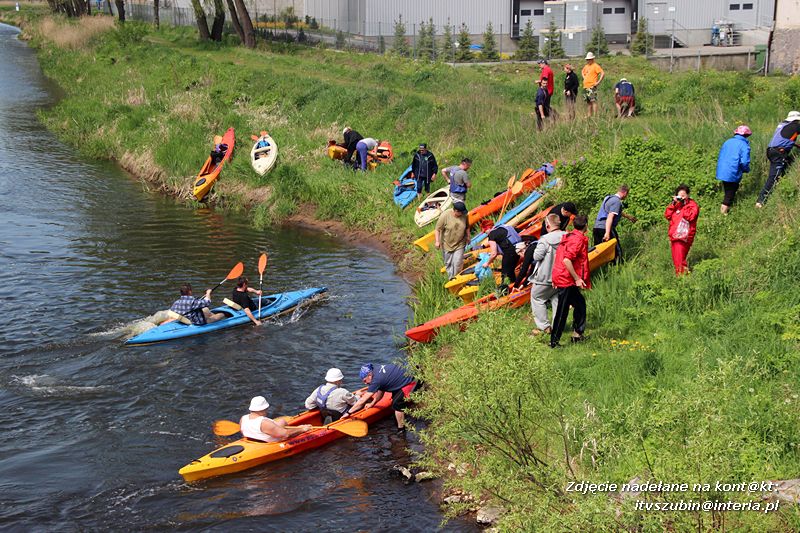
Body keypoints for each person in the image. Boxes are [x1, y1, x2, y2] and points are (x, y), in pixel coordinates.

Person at [550, 215, 591, 348]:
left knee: (580, 304)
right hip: (566, 279)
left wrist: (554, 275)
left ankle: (577, 334)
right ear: (586, 226)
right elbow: (566, 260)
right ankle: (554, 342)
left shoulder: (569, 237)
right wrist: (577, 278)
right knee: (562, 311)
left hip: (562, 276)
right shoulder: (577, 240)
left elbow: (559, 256)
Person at [346, 363, 416, 430]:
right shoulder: (375, 371)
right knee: (395, 402)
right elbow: (381, 391)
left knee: (397, 404)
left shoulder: (376, 380)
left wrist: (349, 413)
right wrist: (372, 403)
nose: (365, 383)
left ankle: (401, 429)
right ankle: (399, 420)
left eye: (365, 380)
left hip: (412, 379)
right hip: (408, 372)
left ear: (369, 375)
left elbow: (362, 401)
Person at [530, 213, 566, 335]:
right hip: (562, 275)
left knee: (537, 297)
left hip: (545, 276)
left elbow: (537, 256)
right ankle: (557, 325)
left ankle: (544, 327)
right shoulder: (567, 236)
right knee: (556, 298)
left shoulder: (544, 239)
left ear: (547, 225)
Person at [756, 111, 800, 207]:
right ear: (796, 120)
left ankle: (781, 182)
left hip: (771, 151)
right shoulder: (795, 126)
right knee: (773, 176)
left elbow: (783, 138)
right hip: (778, 152)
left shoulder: (783, 124)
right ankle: (761, 201)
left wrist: (796, 145)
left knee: (789, 162)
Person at [592, 185, 636, 263]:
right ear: (625, 193)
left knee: (598, 250)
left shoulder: (609, 198)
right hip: (605, 228)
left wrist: (628, 217)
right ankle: (618, 266)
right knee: (615, 249)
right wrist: (607, 233)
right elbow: (610, 217)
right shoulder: (617, 201)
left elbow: (614, 211)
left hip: (597, 227)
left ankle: (600, 267)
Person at [240, 396, 312, 442]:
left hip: (254, 440)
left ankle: (281, 427)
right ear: (264, 408)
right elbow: (286, 435)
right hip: (271, 442)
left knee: (282, 421)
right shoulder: (264, 423)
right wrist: (301, 429)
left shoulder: (243, 419)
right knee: (287, 429)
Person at [715, 125, 752, 214]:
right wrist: (746, 169)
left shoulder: (727, 142)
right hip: (733, 172)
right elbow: (744, 162)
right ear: (746, 135)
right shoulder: (744, 145)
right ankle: (723, 213)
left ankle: (725, 209)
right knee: (730, 192)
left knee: (727, 190)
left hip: (722, 170)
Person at [664, 184, 699, 275]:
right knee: (677, 260)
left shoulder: (692, 205)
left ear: (688, 195)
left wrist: (685, 205)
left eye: (684, 195)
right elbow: (667, 215)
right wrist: (673, 203)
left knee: (680, 261)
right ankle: (682, 277)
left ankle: (683, 279)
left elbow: (690, 217)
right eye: (680, 196)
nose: (682, 198)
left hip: (684, 236)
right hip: (674, 235)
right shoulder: (676, 204)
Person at [435, 201, 470, 279]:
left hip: (460, 243)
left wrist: (468, 236)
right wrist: (437, 241)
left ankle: (456, 278)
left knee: (457, 262)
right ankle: (451, 278)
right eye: (461, 212)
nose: (463, 214)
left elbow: (467, 226)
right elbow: (437, 229)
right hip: (447, 244)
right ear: (456, 211)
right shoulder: (445, 215)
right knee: (448, 263)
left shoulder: (464, 216)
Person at [485, 222, 523, 290]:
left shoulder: (491, 234)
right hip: (520, 249)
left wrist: (487, 263)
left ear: (488, 228)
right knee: (510, 271)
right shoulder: (504, 226)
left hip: (510, 252)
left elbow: (494, 254)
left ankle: (505, 292)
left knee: (505, 275)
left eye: (485, 232)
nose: (486, 234)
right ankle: (515, 285)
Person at [581, 52, 605, 118]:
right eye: (587, 59)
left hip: (592, 86)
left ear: (592, 59)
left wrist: (598, 82)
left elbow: (602, 73)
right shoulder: (586, 66)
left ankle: (595, 116)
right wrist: (584, 77)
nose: (588, 61)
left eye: (589, 59)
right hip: (585, 86)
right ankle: (589, 115)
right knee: (588, 102)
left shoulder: (595, 66)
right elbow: (582, 72)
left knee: (593, 100)